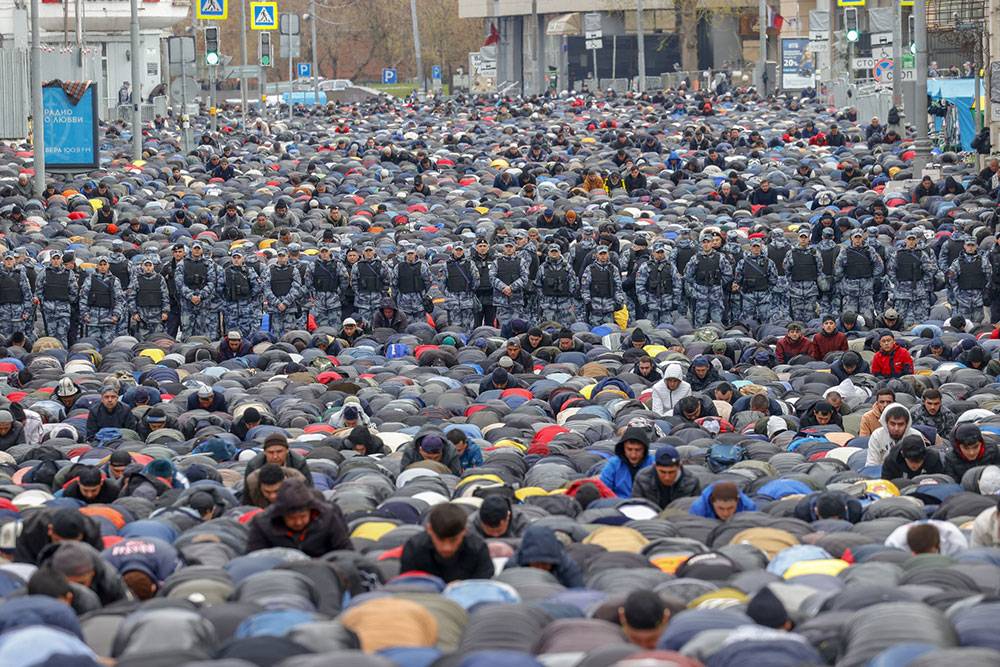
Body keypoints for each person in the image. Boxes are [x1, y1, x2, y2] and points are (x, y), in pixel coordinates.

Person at [245, 479, 352, 557]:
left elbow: (345, 551)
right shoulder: (263, 523)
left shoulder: (328, 516)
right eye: (292, 518)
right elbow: (254, 557)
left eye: (303, 516)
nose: (298, 522)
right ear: (281, 515)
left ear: (311, 510)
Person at [399, 502, 494, 583]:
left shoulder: (478, 548)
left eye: (453, 540)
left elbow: (483, 587)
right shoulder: (414, 548)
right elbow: (408, 586)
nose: (446, 547)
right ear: (429, 530)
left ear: (464, 531)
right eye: (440, 539)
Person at [504, 525, 584, 588]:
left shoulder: (567, 566)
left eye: (545, 564)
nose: (540, 568)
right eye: (536, 564)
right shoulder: (513, 566)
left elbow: (578, 591)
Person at [631, 445, 702, 509]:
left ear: (679, 466)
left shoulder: (691, 481)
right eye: (662, 472)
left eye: (671, 472)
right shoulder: (642, 478)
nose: (667, 477)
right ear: (655, 466)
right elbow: (637, 507)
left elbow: (696, 509)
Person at [218, 248, 263, 338]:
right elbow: (219, 288)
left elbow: (258, 286)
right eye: (234, 257)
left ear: (243, 259)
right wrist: (226, 302)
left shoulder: (249, 271)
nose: (236, 259)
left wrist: (248, 297)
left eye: (238, 257)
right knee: (231, 334)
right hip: (230, 309)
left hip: (245, 308)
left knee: (246, 333)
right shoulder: (225, 272)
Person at [599, 427, 654, 498]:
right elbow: (603, 488)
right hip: (618, 505)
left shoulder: (653, 463)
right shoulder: (614, 464)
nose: (633, 455)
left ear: (644, 449)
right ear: (623, 448)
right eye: (629, 449)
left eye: (638, 450)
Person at [242, 433, 313, 485]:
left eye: (279, 452)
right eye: (270, 452)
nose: (275, 456)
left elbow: (309, 489)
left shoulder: (298, 462)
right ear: (264, 452)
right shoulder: (254, 465)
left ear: (287, 450)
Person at [442, 243, 480, 330]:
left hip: (467, 300)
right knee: (454, 327)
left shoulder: (470, 264)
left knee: (468, 326)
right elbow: (442, 284)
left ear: (463, 251)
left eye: (460, 250)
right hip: (452, 301)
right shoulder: (446, 265)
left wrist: (470, 291)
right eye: (457, 250)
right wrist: (449, 296)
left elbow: (476, 280)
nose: (459, 252)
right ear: (453, 251)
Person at [130, 257, 171, 338]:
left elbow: (165, 296)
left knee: (157, 338)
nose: (148, 267)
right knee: (142, 338)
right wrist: (134, 313)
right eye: (146, 265)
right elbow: (131, 297)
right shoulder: (136, 279)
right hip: (142, 315)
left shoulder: (160, 279)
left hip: (157, 314)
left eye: (150, 265)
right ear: (142, 266)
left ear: (153, 266)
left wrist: (165, 311)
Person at [393, 247, 432, 322]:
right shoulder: (398, 267)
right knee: (406, 323)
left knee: (421, 325)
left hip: (419, 300)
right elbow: (394, 284)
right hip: (404, 301)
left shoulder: (422, 266)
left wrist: (424, 295)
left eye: (412, 253)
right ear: (405, 255)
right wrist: (396, 298)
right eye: (408, 254)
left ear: (415, 254)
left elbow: (428, 282)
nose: (410, 255)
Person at [881, 435, 946, 480]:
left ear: (924, 455)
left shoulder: (933, 459)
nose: (914, 465)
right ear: (903, 455)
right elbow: (886, 484)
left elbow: (940, 481)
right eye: (911, 461)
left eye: (918, 461)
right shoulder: (892, 461)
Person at [690, 481, 757, 520]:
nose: (726, 513)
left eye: (730, 508)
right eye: (721, 508)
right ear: (712, 501)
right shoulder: (698, 508)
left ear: (737, 501)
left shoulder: (749, 507)